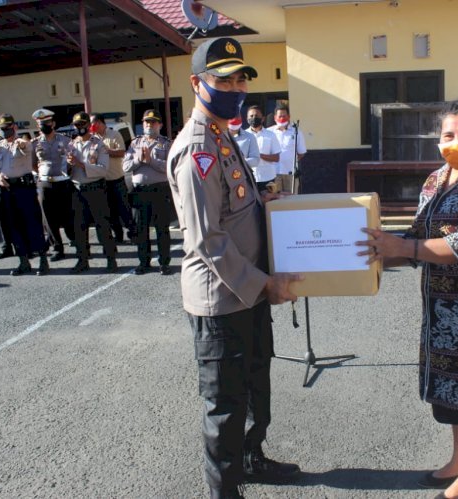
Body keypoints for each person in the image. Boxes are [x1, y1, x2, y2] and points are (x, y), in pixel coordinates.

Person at [357, 99, 458, 499]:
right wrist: (373, 249)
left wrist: (403, 248)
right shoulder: (434, 180)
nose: (456, 141)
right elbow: (418, 236)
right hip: (441, 309)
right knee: (452, 394)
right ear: (438, 140)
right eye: (448, 135)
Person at [167, 37, 303, 499]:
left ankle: (252, 458)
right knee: (224, 405)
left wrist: (265, 203)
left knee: (254, 382)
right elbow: (206, 238)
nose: (236, 85)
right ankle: (224, 492)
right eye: (223, 77)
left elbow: (232, 209)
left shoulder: (225, 136)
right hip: (222, 298)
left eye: (241, 77)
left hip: (249, 291)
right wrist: (266, 283)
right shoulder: (197, 149)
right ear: (197, 83)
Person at [0, 114, 49, 276]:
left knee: (32, 224)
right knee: (13, 226)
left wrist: (23, 144)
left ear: (14, 127)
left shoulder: (22, 143)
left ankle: (43, 260)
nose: (4, 132)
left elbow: (27, 148)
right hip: (7, 190)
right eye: (2, 129)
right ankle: (23, 262)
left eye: (7, 128)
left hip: (23, 189)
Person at [123, 109, 174, 275]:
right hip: (140, 191)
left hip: (159, 190)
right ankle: (143, 262)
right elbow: (125, 166)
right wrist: (139, 160)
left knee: (162, 228)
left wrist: (151, 161)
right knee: (141, 228)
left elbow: (170, 167)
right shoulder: (135, 143)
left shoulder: (166, 143)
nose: (149, 125)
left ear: (159, 124)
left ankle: (164, 263)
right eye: (146, 122)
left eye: (152, 122)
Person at [67, 112, 117, 274]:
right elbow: (65, 171)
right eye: (77, 125)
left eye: (83, 125)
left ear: (89, 126)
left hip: (95, 189)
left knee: (102, 225)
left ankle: (111, 259)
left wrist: (81, 165)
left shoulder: (99, 144)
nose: (80, 128)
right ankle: (82, 260)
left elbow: (103, 170)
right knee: (79, 228)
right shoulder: (71, 145)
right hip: (77, 190)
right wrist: (68, 166)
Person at [32, 108, 75, 261]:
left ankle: (76, 242)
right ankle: (58, 248)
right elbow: (32, 164)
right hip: (45, 183)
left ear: (54, 123)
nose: (45, 125)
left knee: (68, 215)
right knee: (49, 219)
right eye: (41, 123)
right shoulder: (34, 143)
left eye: (47, 122)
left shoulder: (65, 140)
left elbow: (72, 160)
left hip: (63, 183)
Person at [90, 113, 137, 244]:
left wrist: (107, 151)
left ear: (99, 122)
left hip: (117, 179)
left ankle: (133, 233)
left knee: (124, 209)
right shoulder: (93, 139)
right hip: (103, 181)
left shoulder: (114, 134)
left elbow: (122, 152)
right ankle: (118, 235)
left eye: (92, 123)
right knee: (110, 211)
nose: (91, 127)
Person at [268, 103, 306, 193]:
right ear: (275, 118)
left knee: (292, 201)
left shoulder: (296, 132)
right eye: (280, 116)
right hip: (273, 173)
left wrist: (290, 160)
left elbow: (301, 153)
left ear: (289, 117)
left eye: (284, 116)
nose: (282, 118)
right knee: (275, 200)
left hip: (290, 173)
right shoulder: (268, 132)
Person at [245, 105, 281, 192]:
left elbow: (276, 158)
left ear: (263, 118)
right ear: (247, 119)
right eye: (251, 116)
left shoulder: (271, 135)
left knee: (269, 204)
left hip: (268, 178)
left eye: (256, 116)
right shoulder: (243, 136)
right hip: (249, 179)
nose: (254, 118)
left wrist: (259, 155)